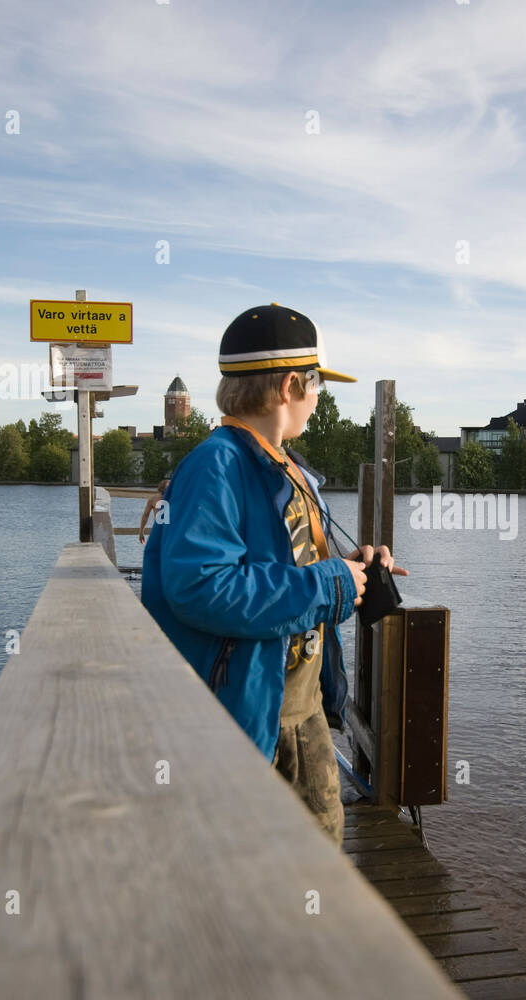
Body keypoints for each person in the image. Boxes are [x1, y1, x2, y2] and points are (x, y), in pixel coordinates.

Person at [141, 303, 405, 843]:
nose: (317, 400)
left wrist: (348, 569)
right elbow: (199, 587)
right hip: (248, 709)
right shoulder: (216, 467)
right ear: (290, 386)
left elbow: (286, 567)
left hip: (299, 704)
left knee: (312, 862)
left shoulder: (289, 469)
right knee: (260, 867)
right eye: (317, 387)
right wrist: (326, 585)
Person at [137, 477, 169, 545]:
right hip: (168, 530)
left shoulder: (153, 499)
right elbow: (145, 515)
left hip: (159, 529)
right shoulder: (175, 498)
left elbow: (145, 515)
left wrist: (141, 531)